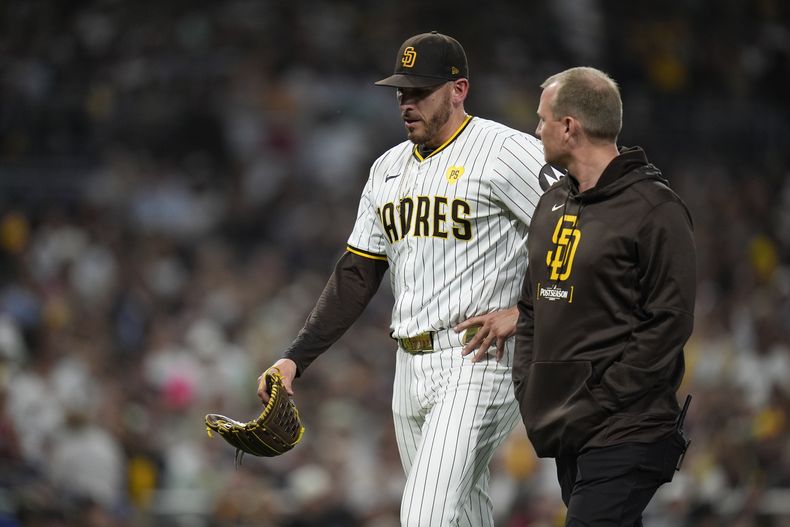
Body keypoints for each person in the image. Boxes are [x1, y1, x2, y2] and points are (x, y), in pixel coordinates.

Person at [258, 31, 554, 527]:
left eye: (420, 91)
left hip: (478, 358)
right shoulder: (387, 169)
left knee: (423, 515)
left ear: (458, 89)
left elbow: (580, 229)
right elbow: (357, 274)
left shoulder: (506, 150)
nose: (406, 102)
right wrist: (295, 359)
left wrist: (527, 312)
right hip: (409, 368)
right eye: (401, 91)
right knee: (463, 515)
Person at [513, 66, 696, 526]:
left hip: (628, 428)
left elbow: (669, 323)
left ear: (569, 126)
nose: (536, 131)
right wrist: (530, 389)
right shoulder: (550, 202)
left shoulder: (655, 209)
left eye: (542, 120)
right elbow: (531, 308)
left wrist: (600, 399)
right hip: (567, 428)